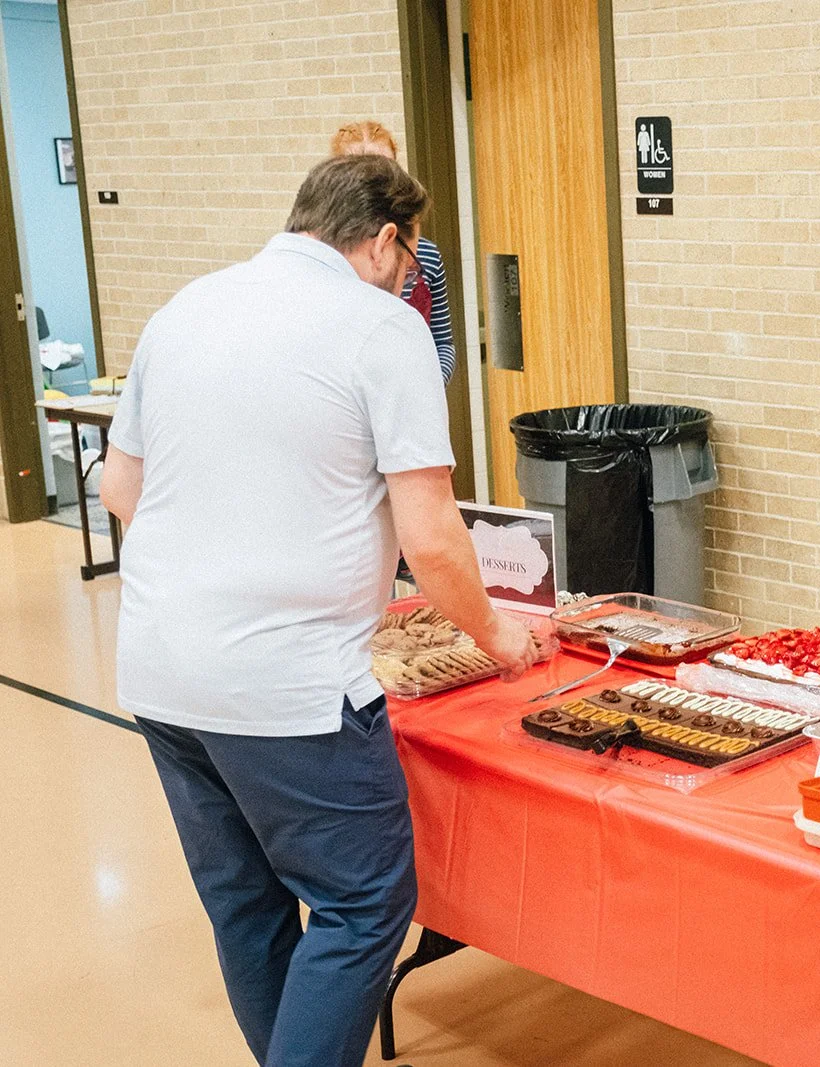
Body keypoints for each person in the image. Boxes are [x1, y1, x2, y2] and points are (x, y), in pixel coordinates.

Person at [98, 154, 538, 1067]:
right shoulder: (381, 328)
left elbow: (121, 490)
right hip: (288, 689)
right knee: (364, 902)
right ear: (384, 242)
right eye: (412, 261)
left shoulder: (187, 308)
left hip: (160, 668)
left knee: (248, 904)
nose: (410, 279)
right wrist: (501, 636)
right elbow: (434, 540)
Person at [331, 120, 456, 383]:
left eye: (385, 170)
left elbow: (442, 342)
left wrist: (427, 388)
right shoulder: (325, 261)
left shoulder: (425, 255)